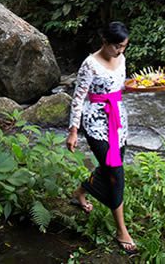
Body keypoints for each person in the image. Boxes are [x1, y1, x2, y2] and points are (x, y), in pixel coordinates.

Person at [66, 21, 137, 255]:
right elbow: (78, 98)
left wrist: (138, 87)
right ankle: (121, 230)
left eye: (124, 47)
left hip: (118, 121)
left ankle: (81, 191)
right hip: (96, 123)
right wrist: (73, 131)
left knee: (109, 169)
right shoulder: (90, 64)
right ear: (104, 42)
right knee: (116, 174)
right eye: (117, 46)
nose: (120, 51)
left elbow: (120, 87)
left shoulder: (122, 58)